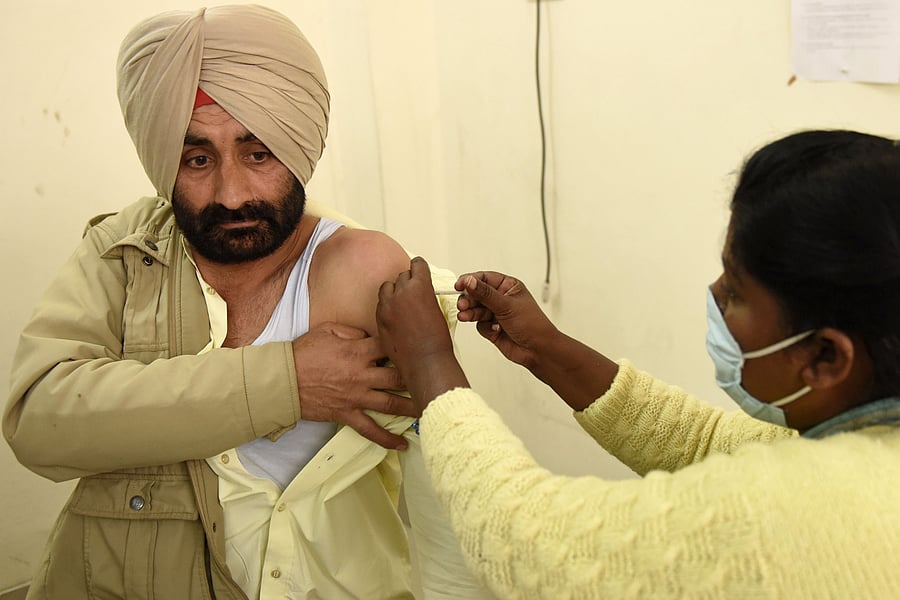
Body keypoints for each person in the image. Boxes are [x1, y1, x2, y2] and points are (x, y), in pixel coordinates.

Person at [3, 6, 491, 599]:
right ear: (165, 160)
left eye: (258, 153)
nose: (232, 194)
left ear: (297, 144)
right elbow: (39, 420)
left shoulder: (365, 272)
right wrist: (285, 381)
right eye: (198, 159)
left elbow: (444, 504)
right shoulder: (122, 252)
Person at [376, 130, 900, 598]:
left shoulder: (808, 512)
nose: (714, 295)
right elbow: (706, 446)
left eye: (736, 291)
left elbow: (526, 542)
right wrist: (547, 348)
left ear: (826, 357)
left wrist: (429, 364)